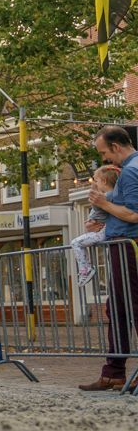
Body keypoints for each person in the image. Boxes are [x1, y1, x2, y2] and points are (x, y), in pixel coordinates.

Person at [81, 126, 138, 392]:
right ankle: (113, 371)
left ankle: (115, 371)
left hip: (129, 246)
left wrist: (103, 204)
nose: (104, 159)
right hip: (122, 244)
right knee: (116, 307)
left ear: (115, 147)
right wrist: (104, 221)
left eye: (104, 153)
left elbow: (135, 214)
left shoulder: (130, 171)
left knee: (131, 306)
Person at [72, 165, 120, 288]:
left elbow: (97, 205)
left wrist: (94, 192)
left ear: (104, 181)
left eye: (97, 180)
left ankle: (85, 269)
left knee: (75, 243)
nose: (95, 183)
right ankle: (85, 268)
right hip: (102, 229)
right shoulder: (110, 195)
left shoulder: (107, 196)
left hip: (102, 231)